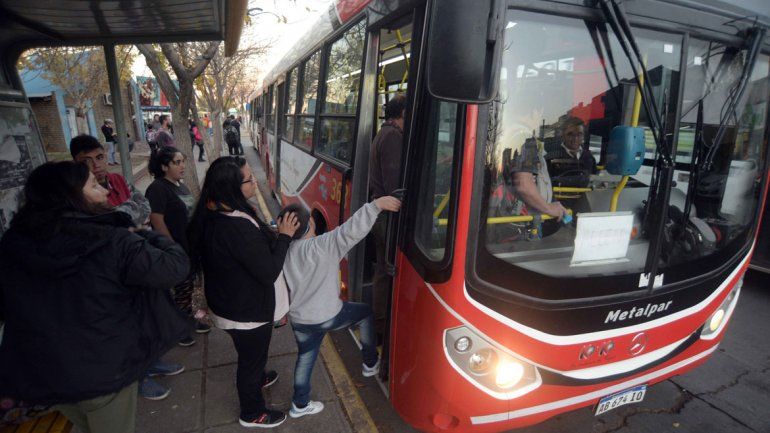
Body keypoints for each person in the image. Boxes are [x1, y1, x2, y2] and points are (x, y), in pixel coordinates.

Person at [0, 161, 190, 433]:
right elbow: (174, 268)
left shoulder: (14, 241)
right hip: (103, 371)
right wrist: (148, 236)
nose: (103, 191)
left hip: (42, 372)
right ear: (70, 196)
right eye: (92, 185)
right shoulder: (114, 240)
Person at [187, 156, 300, 429]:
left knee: (249, 354)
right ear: (233, 188)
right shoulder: (235, 227)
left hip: (228, 304)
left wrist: (268, 234)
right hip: (246, 312)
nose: (254, 183)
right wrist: (284, 235)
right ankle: (252, 412)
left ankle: (257, 376)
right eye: (249, 180)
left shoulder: (214, 211)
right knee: (251, 361)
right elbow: (269, 271)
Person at [279, 196, 402, 418]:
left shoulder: (283, 250)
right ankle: (369, 363)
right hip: (328, 315)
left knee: (305, 358)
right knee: (364, 313)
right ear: (312, 224)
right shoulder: (325, 245)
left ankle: (300, 404)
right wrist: (375, 206)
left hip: (300, 320)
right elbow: (352, 229)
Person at [145, 146, 210, 347]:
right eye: (177, 162)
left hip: (188, 247)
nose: (182, 166)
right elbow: (157, 220)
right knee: (180, 289)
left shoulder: (179, 185)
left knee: (187, 288)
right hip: (175, 250)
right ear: (164, 166)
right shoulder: (157, 188)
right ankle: (179, 329)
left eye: (183, 161)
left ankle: (187, 321)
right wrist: (172, 249)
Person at [368, 93, 406, 339]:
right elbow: (396, 187)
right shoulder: (393, 137)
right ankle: (382, 328)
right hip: (387, 217)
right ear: (403, 114)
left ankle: (380, 326)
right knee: (385, 272)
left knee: (383, 270)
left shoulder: (385, 133)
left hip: (380, 215)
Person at [70, 134, 150, 227]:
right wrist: (130, 211)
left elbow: (145, 206)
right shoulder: (78, 192)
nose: (96, 165)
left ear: (105, 156)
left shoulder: (118, 179)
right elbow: (102, 225)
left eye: (99, 157)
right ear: (75, 164)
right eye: (86, 161)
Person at [544, 116, 596, 189]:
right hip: (556, 198)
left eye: (579, 134)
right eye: (570, 134)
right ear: (563, 135)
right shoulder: (550, 158)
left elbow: (594, 180)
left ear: (583, 136)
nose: (575, 139)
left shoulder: (589, 157)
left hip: (586, 198)